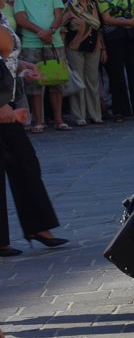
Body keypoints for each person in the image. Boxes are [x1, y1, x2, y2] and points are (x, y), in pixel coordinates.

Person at [0, 13, 67, 256]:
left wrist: (23, 67)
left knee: (25, 162)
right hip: (2, 103)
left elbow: (4, 58)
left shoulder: (1, 16)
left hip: (7, 98)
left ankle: (39, 227)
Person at [13, 0, 69, 132]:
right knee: (35, 84)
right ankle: (39, 121)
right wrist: (41, 32)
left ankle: (59, 120)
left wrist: (51, 31)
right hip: (32, 44)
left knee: (56, 82)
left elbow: (59, 14)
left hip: (54, 42)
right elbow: (21, 19)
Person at [61, 0, 105, 125]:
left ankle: (95, 114)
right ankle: (79, 116)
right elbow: (63, 28)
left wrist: (102, 47)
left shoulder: (94, 5)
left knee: (92, 81)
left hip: (93, 46)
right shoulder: (69, 6)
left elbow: (99, 28)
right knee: (78, 80)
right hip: (75, 46)